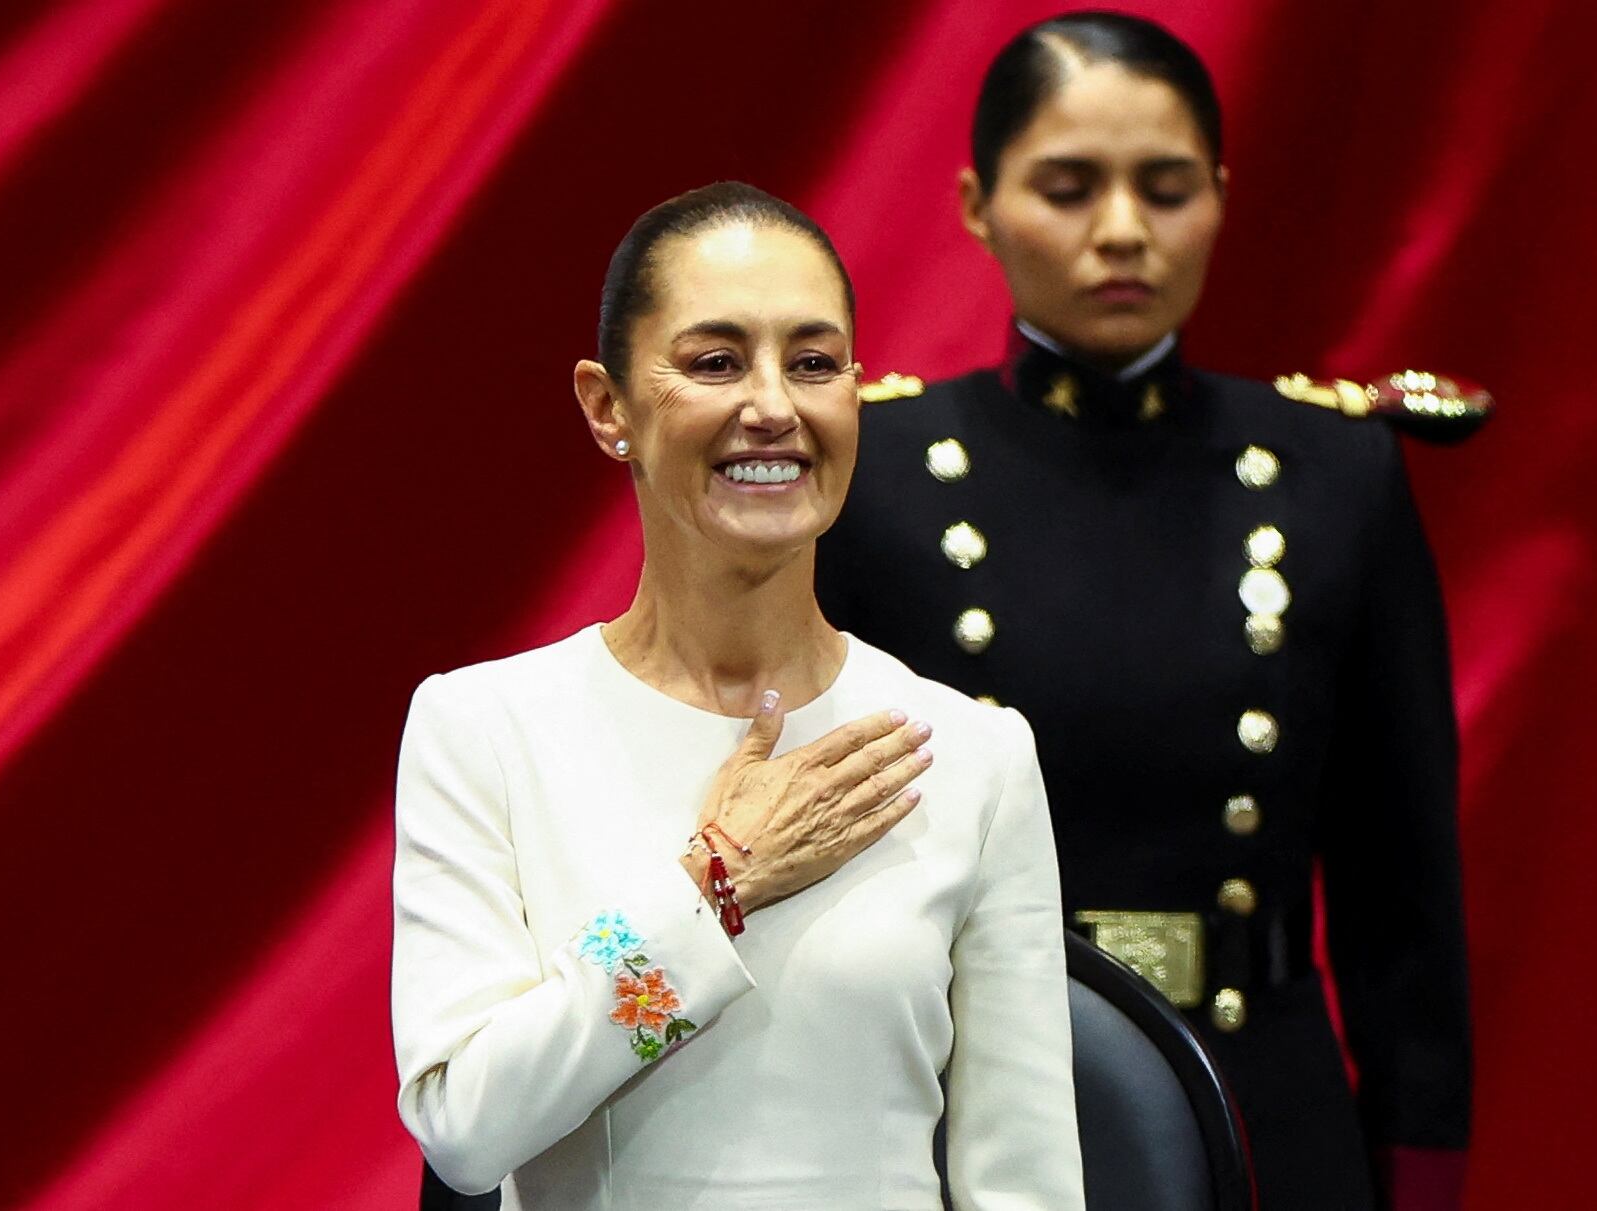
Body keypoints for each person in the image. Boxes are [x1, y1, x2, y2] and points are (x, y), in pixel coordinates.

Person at [817, 13, 1472, 1209]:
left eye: (1163, 188)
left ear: (1219, 196)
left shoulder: (1335, 475)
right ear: (974, 203)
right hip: (965, 1104)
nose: (1120, 230)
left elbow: (1402, 901)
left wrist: (1415, 1174)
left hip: (1267, 1102)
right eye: (1066, 188)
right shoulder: (876, 476)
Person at [392, 181, 1085, 1210]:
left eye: (811, 362)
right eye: (715, 362)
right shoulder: (485, 730)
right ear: (606, 406)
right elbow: (469, 1128)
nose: (771, 404)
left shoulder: (973, 754)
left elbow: (1022, 1182)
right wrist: (714, 884)